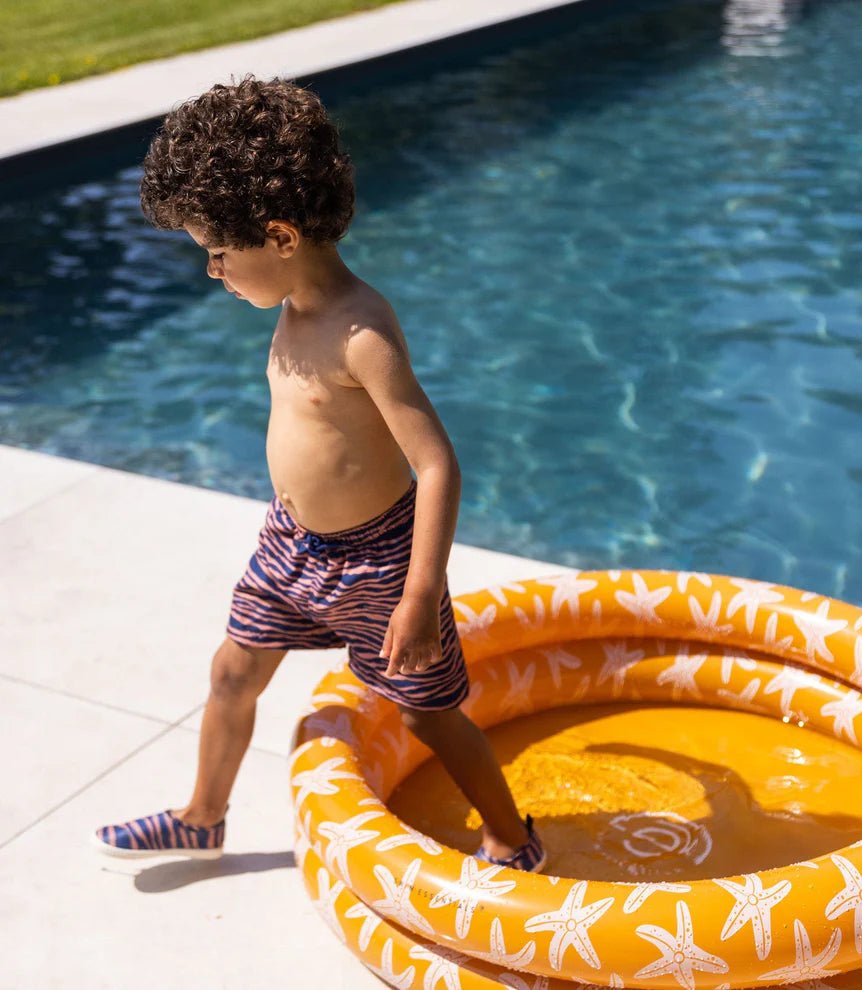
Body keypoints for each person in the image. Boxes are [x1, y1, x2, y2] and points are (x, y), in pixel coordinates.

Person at [91, 76, 545, 873]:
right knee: (233, 671)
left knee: (426, 714)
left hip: (380, 563)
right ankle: (202, 817)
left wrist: (419, 597)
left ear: (279, 236)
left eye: (218, 254)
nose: (212, 272)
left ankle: (513, 838)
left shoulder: (360, 332)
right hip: (292, 543)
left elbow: (435, 462)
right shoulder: (292, 307)